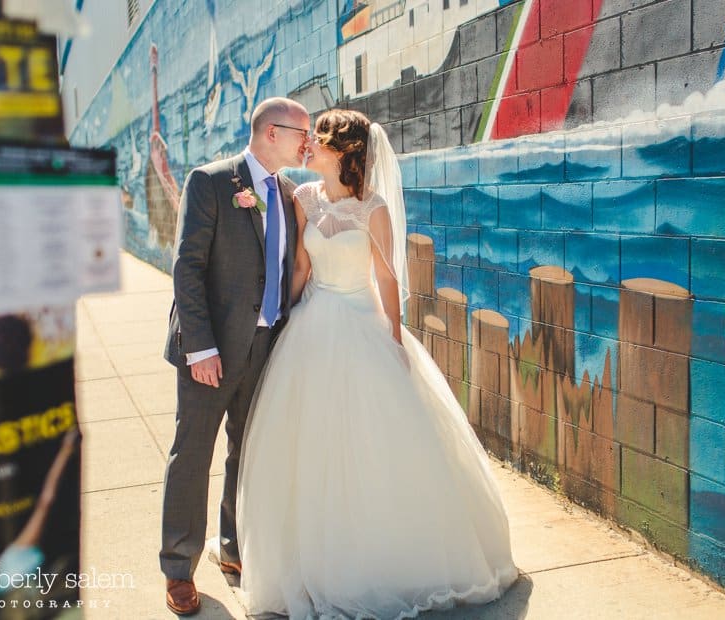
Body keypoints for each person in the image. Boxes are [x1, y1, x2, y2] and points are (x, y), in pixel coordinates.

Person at [236, 109, 519, 619]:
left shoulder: (374, 208)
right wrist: (280, 318)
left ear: (344, 153)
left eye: (318, 139)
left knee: (373, 441)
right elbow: (300, 265)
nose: (310, 146)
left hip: (362, 322)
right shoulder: (303, 198)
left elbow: (387, 279)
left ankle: (380, 558)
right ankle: (314, 558)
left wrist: (393, 338)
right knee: (309, 444)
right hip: (313, 326)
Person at [160, 97, 310, 615]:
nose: (307, 142)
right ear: (271, 132)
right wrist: (199, 346)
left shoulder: (289, 192)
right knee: (193, 455)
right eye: (301, 133)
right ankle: (178, 568)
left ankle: (233, 548)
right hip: (213, 350)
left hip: (267, 347)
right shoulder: (211, 181)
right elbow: (188, 269)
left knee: (246, 453)